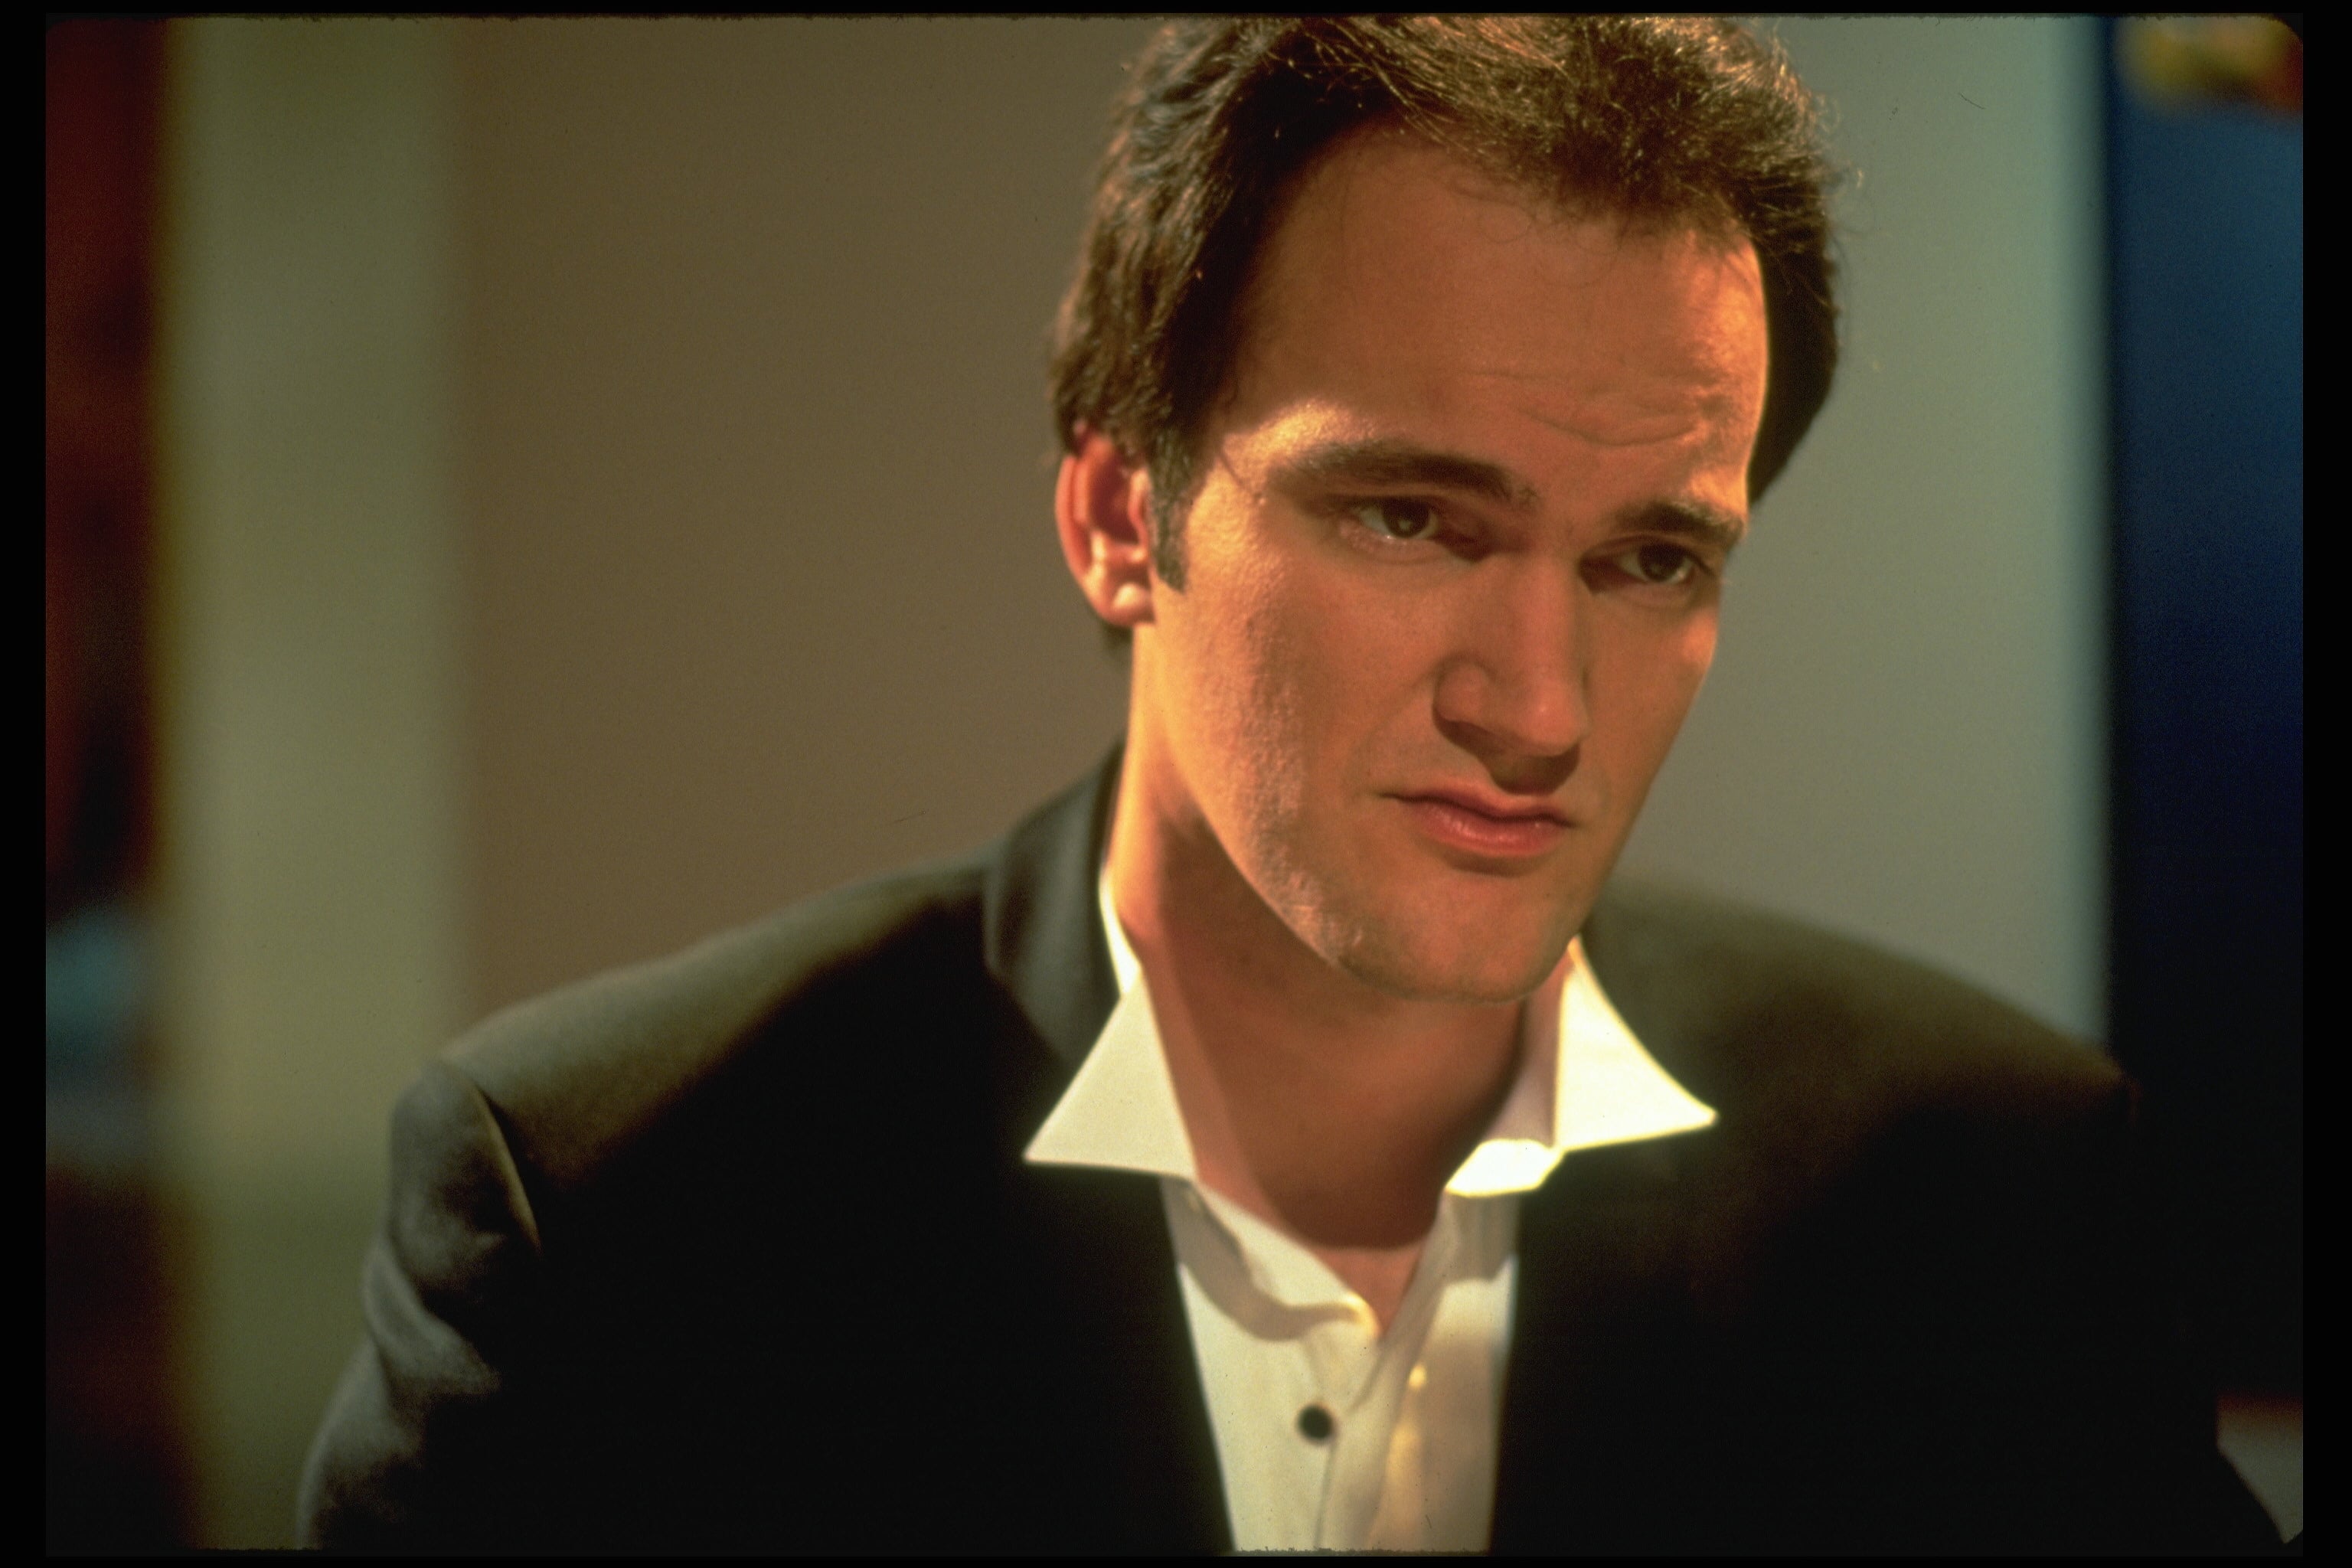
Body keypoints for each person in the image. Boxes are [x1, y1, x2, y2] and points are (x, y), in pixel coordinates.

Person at [298, 18, 2279, 1553]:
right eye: (1413, 518)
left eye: (1651, 559)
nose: (1540, 709)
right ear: (1118, 516)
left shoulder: (1995, 1209)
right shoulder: (621, 1216)